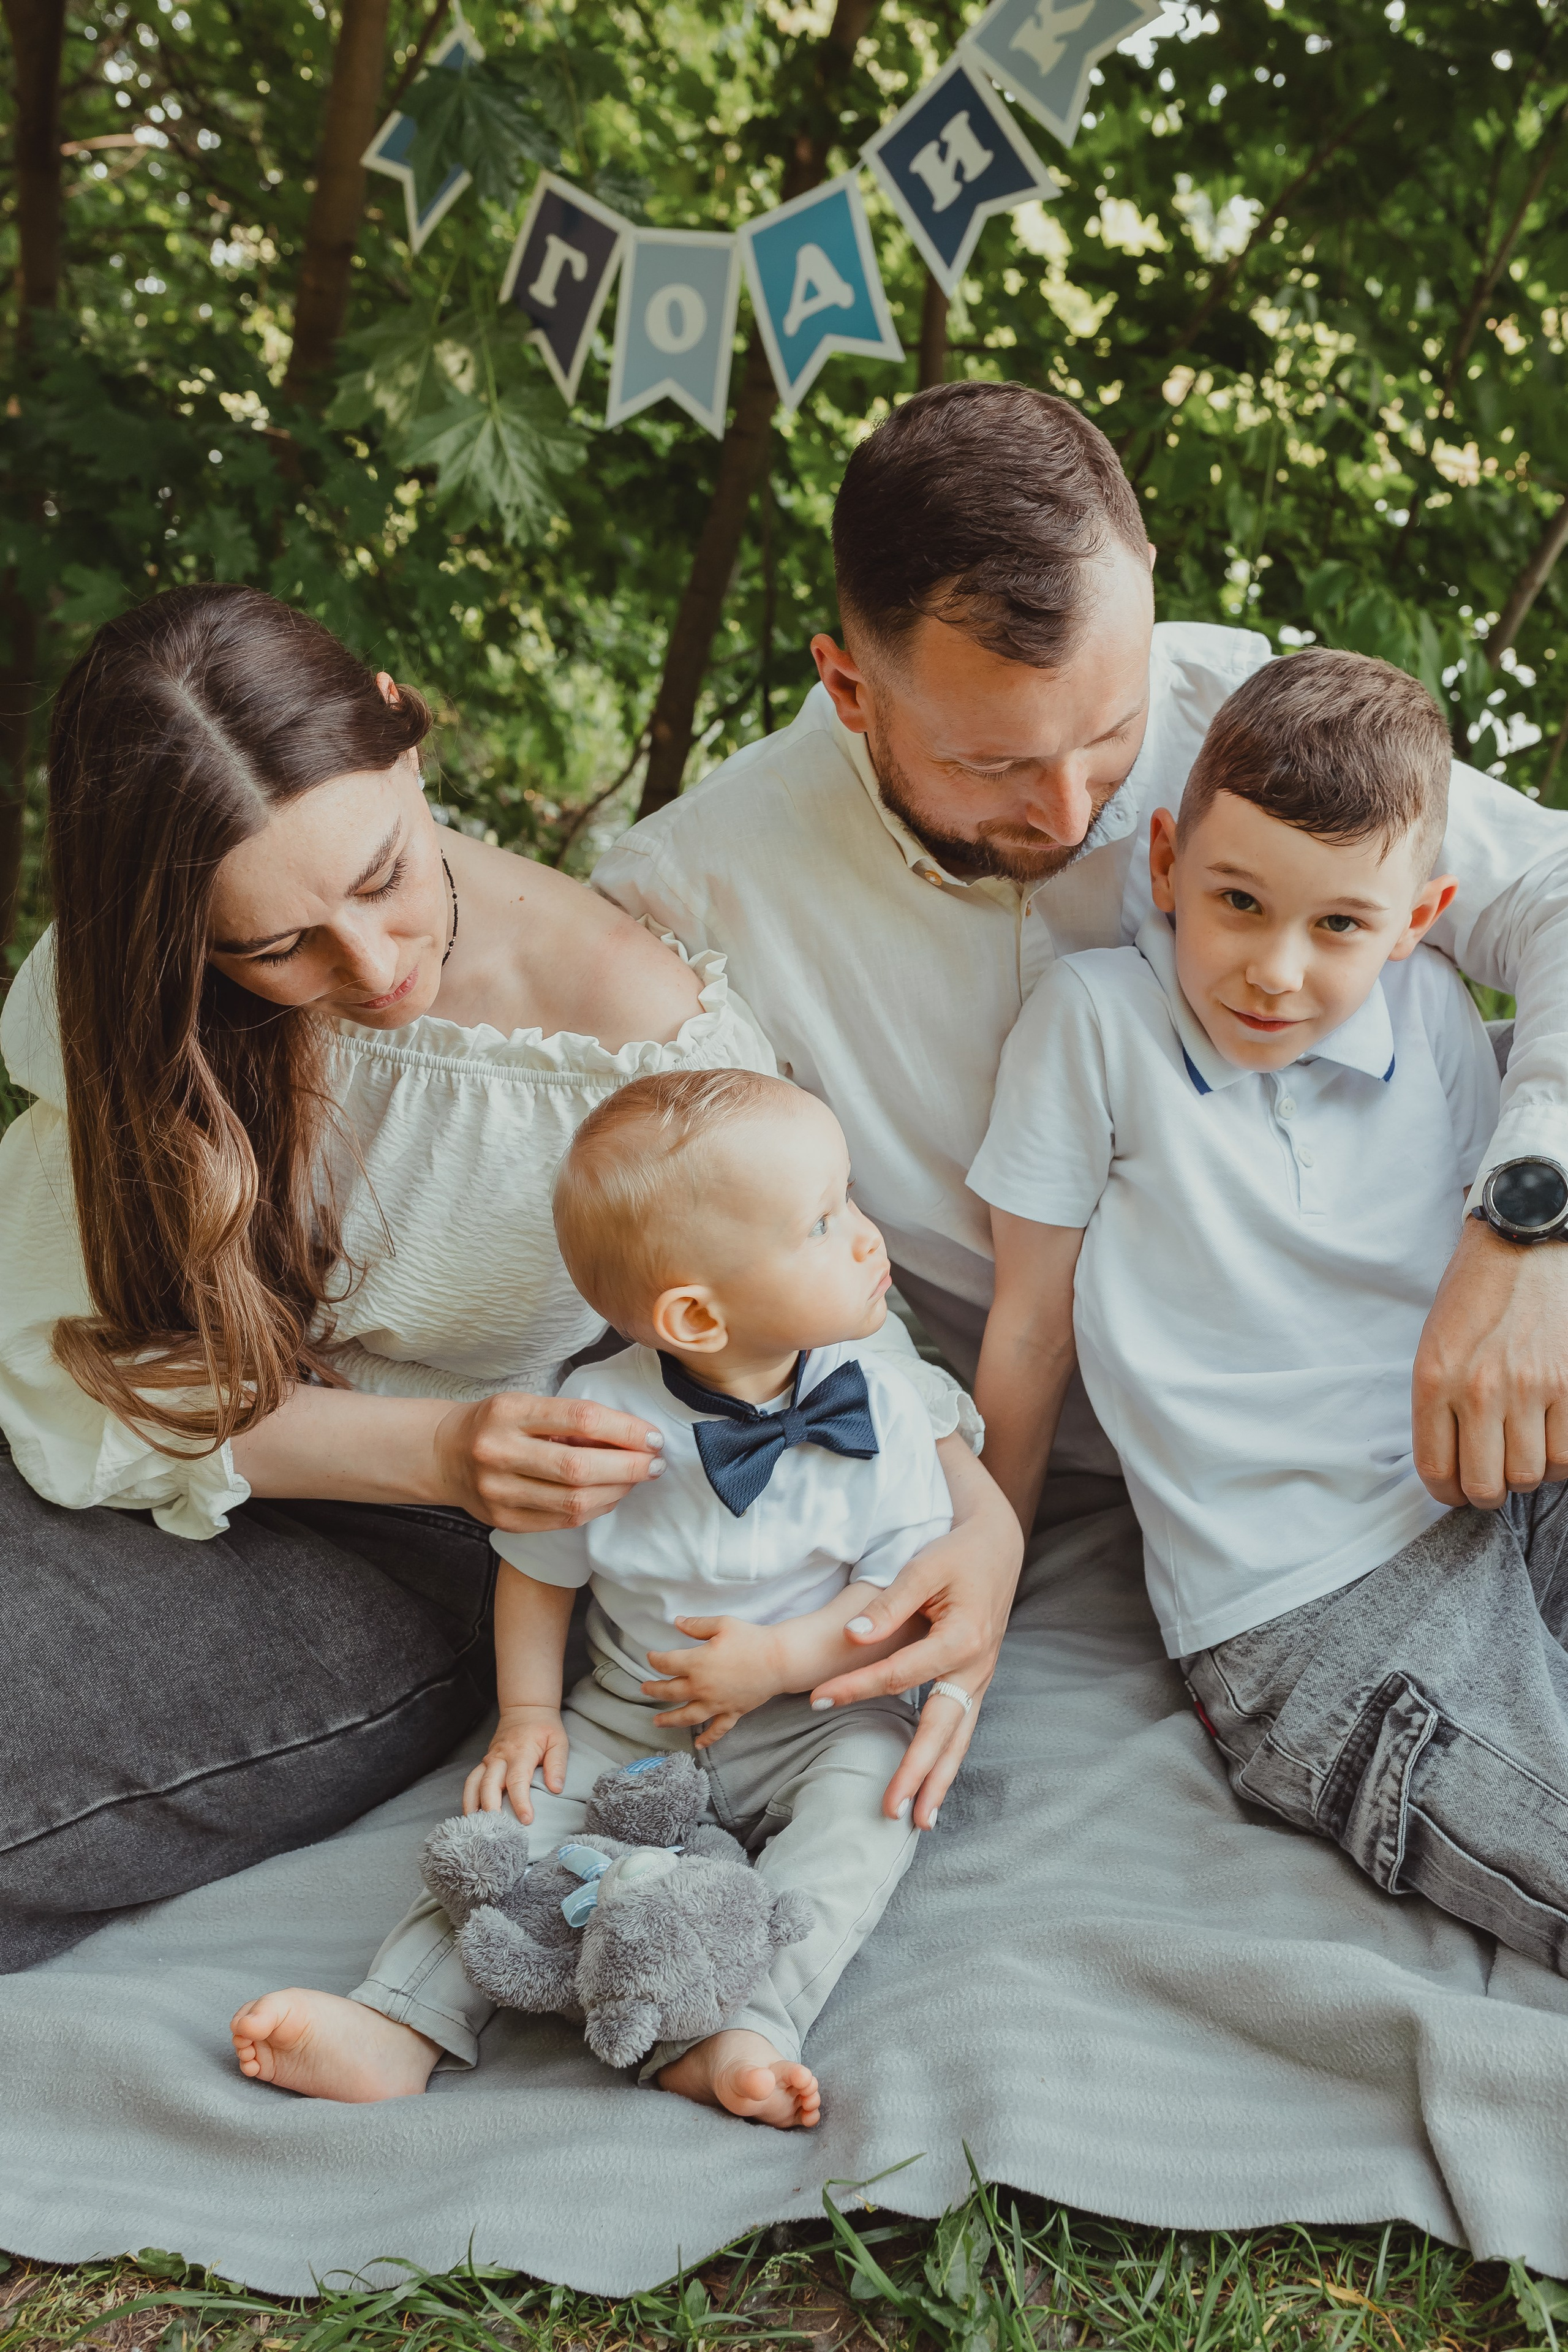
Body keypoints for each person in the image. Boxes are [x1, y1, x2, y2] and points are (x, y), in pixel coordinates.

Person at [0, 586, 1008, 1972]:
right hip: (136, 1453)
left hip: (412, 1552)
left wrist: (985, 1525)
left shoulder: (632, 1040)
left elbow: (820, 1317)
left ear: (405, 737)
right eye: (278, 948)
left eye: (383, 879)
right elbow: (65, 1362)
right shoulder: (143, 993)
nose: (373, 968)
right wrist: (432, 1439)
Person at [595, 384, 1568, 1692]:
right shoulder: (691, 899)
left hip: (1409, 1408)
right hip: (1101, 1497)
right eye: (990, 765)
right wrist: (965, 1513)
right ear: (847, 685)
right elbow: (738, 1267)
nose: (1068, 813)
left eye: (1112, 736)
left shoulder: (1248, 719)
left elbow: (1556, 896)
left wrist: (1527, 1227)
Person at [967, 650, 1568, 1968]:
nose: (1275, 972)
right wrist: (981, 1585)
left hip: (1499, 1484)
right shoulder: (1091, 1024)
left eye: (1339, 926)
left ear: (1417, 921)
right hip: (1311, 1603)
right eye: (1237, 902)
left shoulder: (1437, 1015)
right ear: (1166, 862)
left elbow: (1497, 1290)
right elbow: (1028, 1331)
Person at [233, 1069, 970, 2120]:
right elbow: (539, 1573)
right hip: (635, 1710)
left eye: (847, 1200)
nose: (865, 1236)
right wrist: (529, 1714)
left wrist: (783, 1660)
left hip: (821, 1705)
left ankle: (743, 2028)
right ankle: (400, 2017)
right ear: (695, 1314)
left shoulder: (880, 1404)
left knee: (874, 1810)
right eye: (823, 1222)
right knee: (513, 1823)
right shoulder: (596, 1418)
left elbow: (902, 1593)